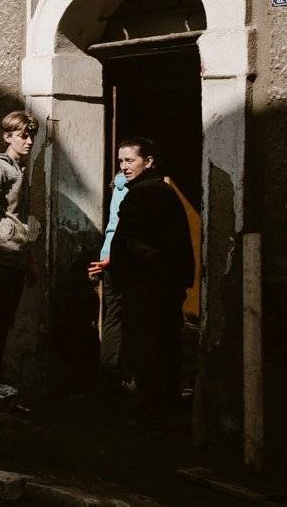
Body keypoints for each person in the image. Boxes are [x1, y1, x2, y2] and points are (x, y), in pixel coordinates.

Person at [108, 138, 195, 421]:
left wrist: (127, 276)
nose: (123, 167)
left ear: (149, 161)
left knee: (150, 352)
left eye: (130, 160)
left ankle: (152, 415)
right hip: (159, 285)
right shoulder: (157, 190)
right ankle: (161, 412)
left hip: (148, 288)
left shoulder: (146, 193)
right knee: (163, 350)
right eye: (120, 161)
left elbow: (135, 244)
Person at [0, 110, 41, 382]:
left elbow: (18, 219)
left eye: (31, 136)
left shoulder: (18, 168)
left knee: (5, 322)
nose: (28, 141)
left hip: (14, 257)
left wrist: (28, 260)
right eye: (23, 136)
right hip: (0, 257)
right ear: (7, 137)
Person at [88, 170, 129, 392]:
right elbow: (121, 226)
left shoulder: (119, 182)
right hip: (118, 256)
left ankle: (110, 373)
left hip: (110, 253)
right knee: (121, 314)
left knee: (114, 315)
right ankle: (116, 372)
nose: (125, 165)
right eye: (123, 161)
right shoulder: (131, 186)